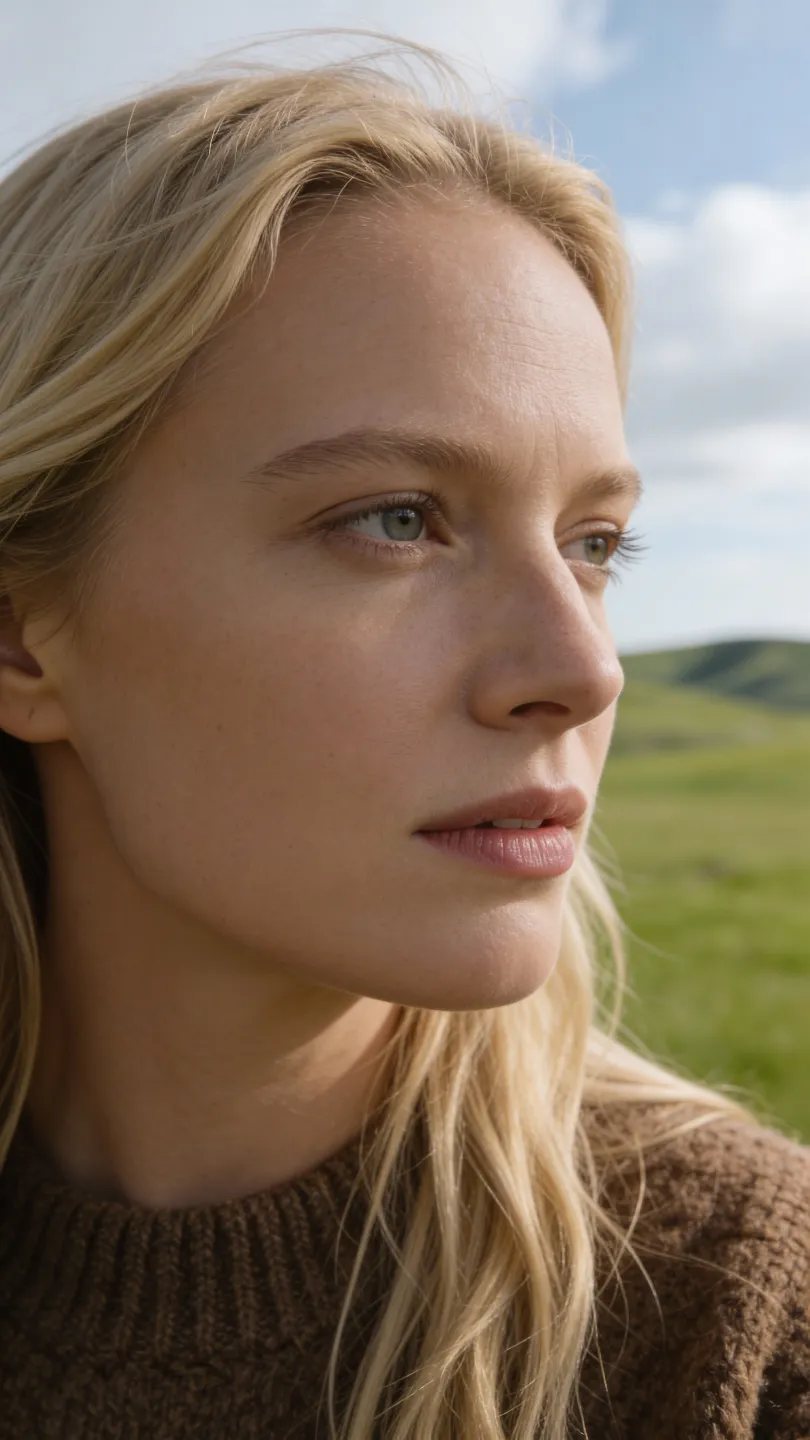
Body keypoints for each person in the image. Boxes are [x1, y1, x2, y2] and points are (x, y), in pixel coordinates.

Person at [0, 35, 806, 1440]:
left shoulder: (734, 1314)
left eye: (593, 540)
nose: (580, 667)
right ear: (22, 635)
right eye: (394, 519)